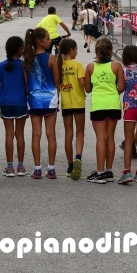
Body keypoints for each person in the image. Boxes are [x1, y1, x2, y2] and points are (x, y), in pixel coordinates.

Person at [84, 37, 124, 184]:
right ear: (110, 51)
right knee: (110, 137)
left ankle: (99, 172)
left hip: (98, 105)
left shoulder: (90, 67)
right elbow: (121, 88)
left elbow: (88, 89)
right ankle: (108, 170)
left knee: (101, 138)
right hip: (113, 103)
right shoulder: (117, 66)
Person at [24, 27, 60, 179]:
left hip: (34, 99)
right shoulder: (51, 58)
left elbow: (26, 82)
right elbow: (57, 80)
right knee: (51, 134)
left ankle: (37, 168)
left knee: (36, 134)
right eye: (47, 38)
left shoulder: (27, 59)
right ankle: (51, 168)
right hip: (50, 98)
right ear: (40, 41)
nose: (50, 40)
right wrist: (58, 96)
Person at [117, 45, 137, 184]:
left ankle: (127, 171)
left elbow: (121, 88)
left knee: (129, 140)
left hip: (130, 107)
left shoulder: (124, 72)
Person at [0, 36, 28, 177]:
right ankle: (20, 166)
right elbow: (27, 86)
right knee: (19, 134)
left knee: (9, 134)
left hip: (6, 102)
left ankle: (10, 167)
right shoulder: (24, 66)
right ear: (20, 49)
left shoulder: (1, 66)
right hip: (21, 102)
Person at [58, 37, 85, 180]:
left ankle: (69, 165)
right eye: (76, 49)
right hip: (79, 102)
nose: (77, 52)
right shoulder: (78, 65)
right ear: (71, 50)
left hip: (66, 103)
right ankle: (78, 158)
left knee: (69, 134)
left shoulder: (59, 65)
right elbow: (82, 83)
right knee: (80, 132)